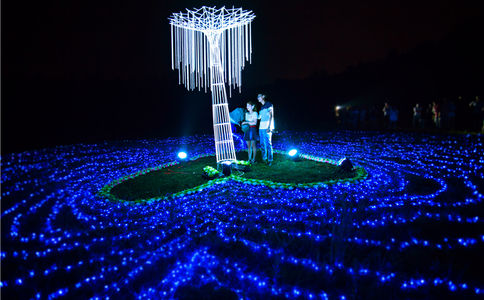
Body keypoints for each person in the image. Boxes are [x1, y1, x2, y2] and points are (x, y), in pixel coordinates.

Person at [257, 94, 274, 166]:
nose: (257, 98)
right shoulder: (261, 107)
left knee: (268, 143)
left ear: (263, 97)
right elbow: (259, 118)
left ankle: (270, 160)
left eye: (259, 97)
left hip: (267, 126)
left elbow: (271, 116)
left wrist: (269, 127)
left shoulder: (269, 104)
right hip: (261, 127)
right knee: (262, 143)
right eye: (257, 97)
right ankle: (264, 158)